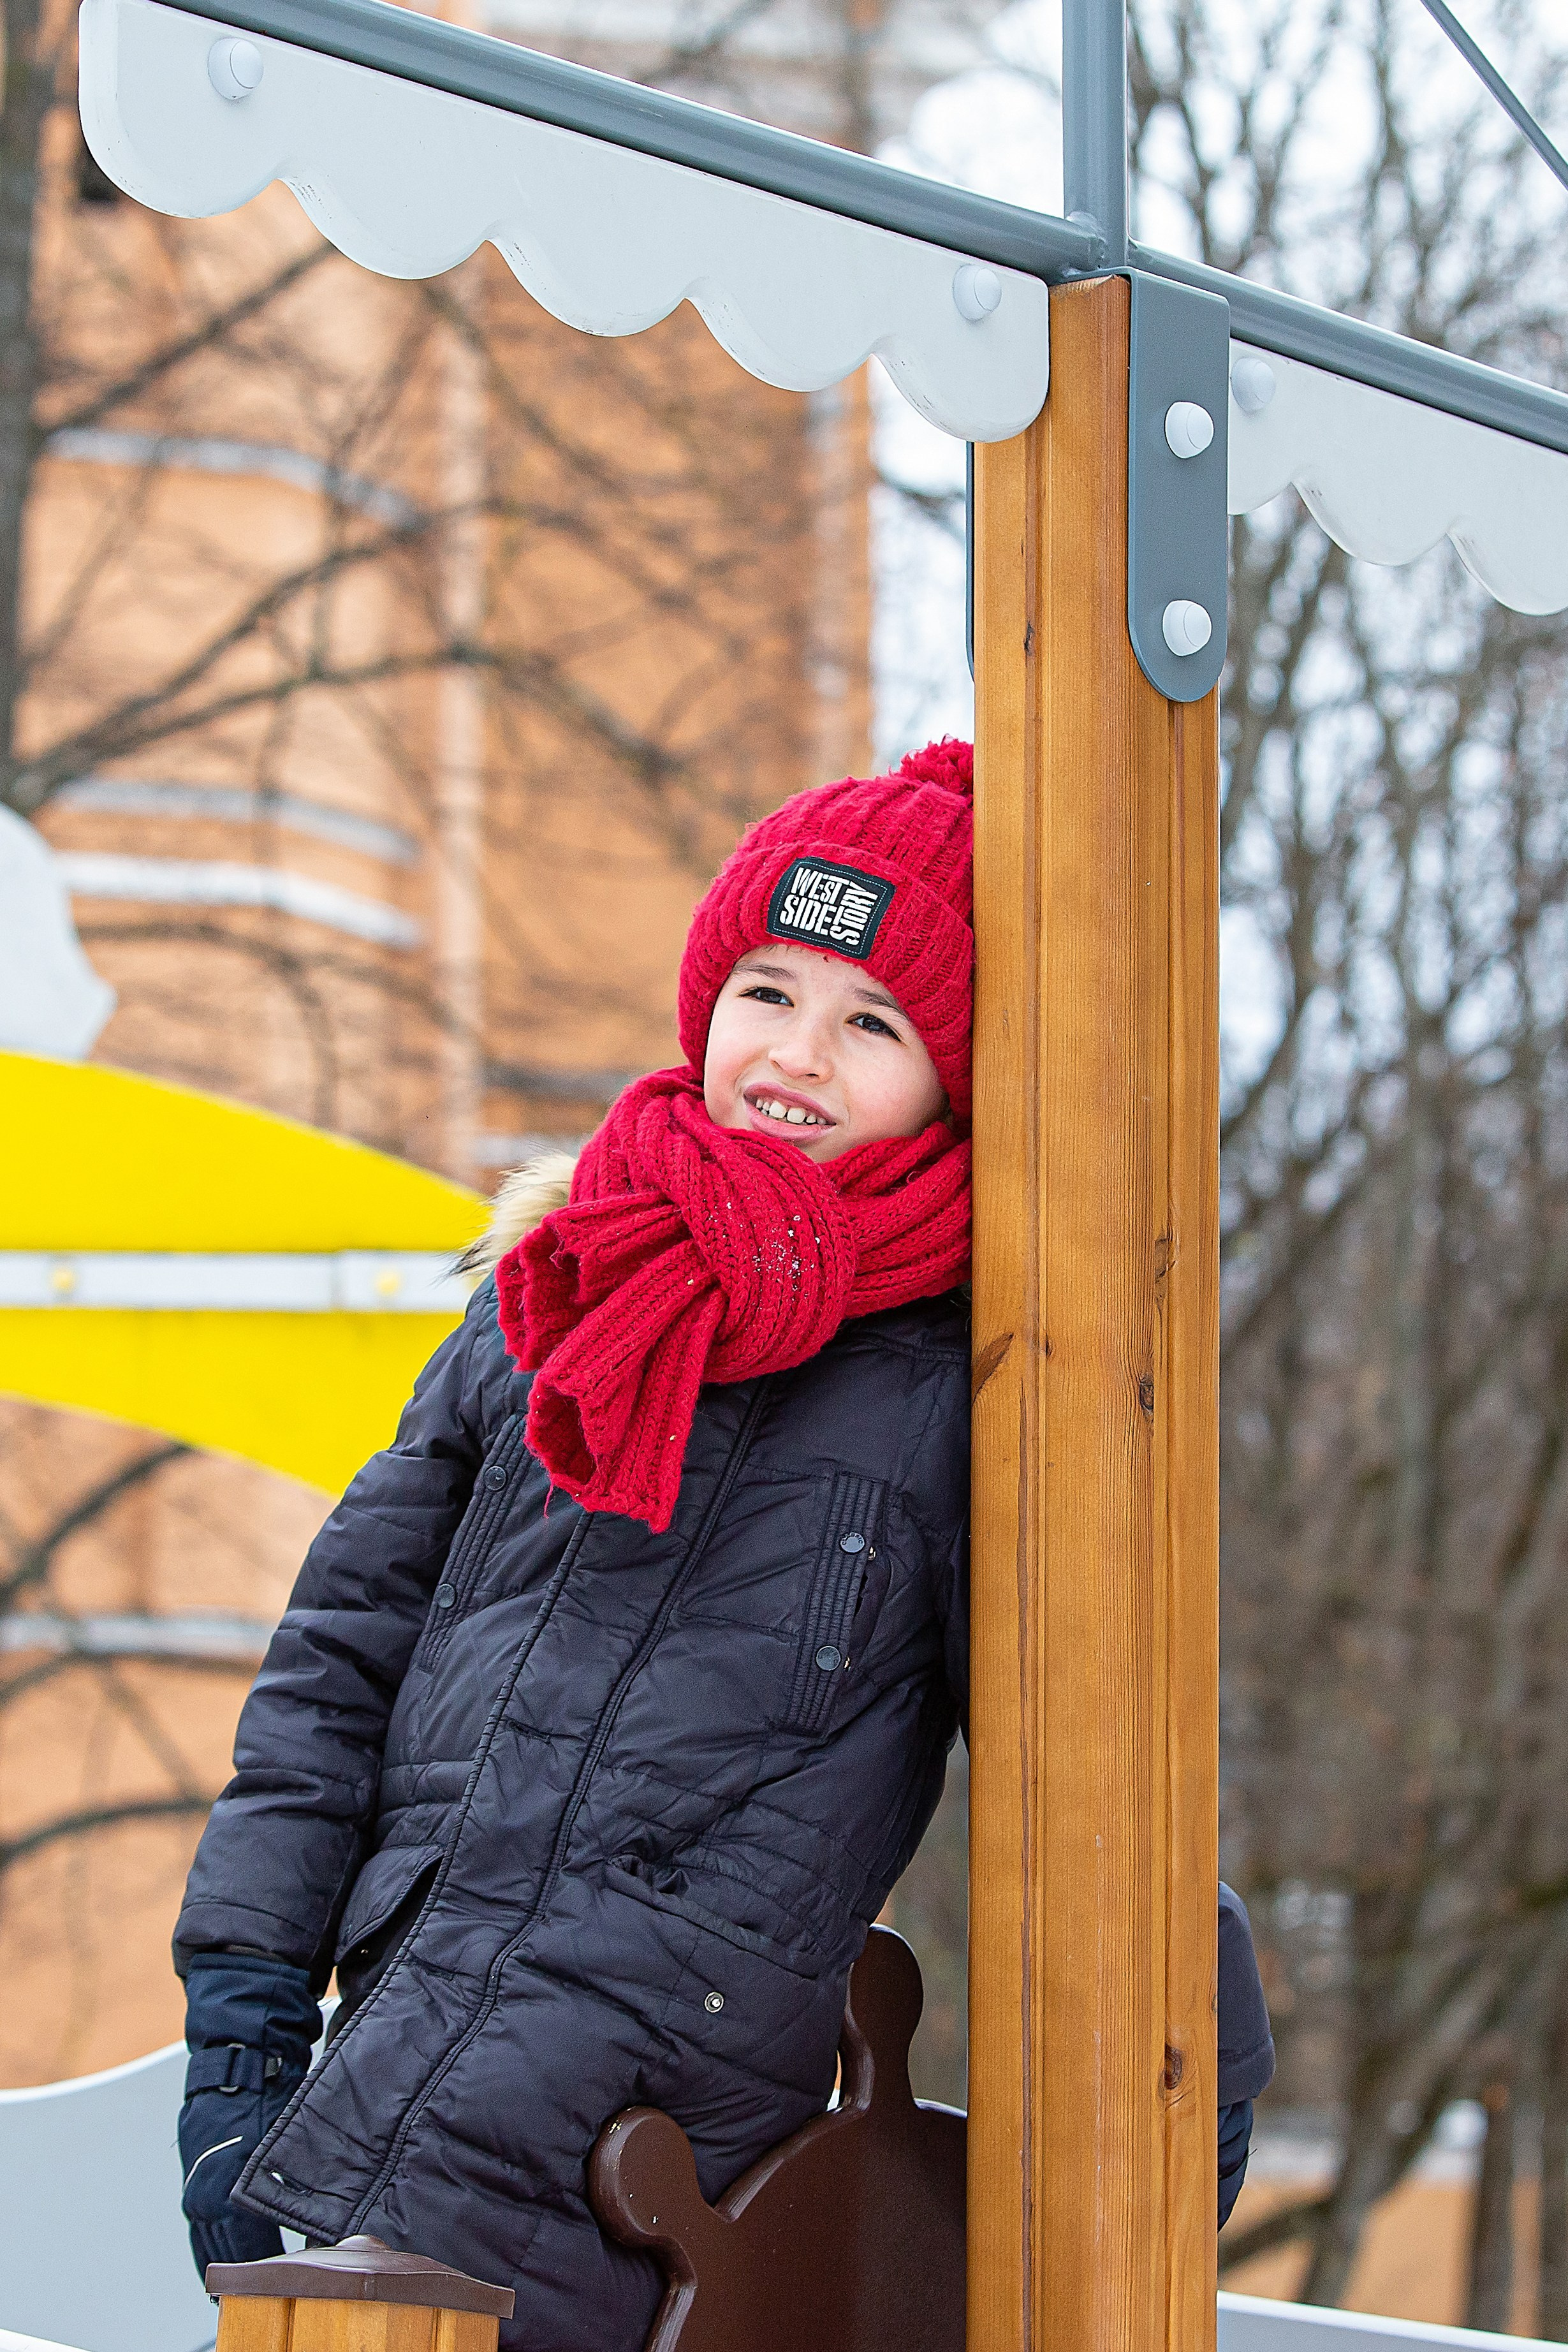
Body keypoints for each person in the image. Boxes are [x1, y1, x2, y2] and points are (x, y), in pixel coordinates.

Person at [173, 740, 1272, 2350]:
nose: (798, 1054)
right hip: (356, 2120)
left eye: (873, 1021)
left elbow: (1096, 1785)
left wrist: (1177, 2127)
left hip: (653, 2201)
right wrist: (242, 2030)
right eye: (770, 988)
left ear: (956, 1076)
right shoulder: (548, 1292)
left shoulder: (967, 1396)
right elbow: (337, 1665)